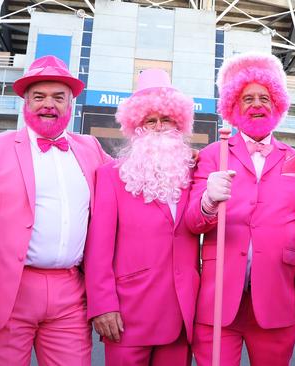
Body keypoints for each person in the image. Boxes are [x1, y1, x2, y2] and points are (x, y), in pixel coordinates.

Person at [0, 55, 110, 365]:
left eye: (57, 97)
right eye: (39, 96)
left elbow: (129, 180)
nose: (48, 104)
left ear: (70, 104)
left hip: (71, 292)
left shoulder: (91, 148)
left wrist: (187, 164)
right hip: (7, 291)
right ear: (25, 102)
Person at [185, 52, 295, 366]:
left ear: (276, 105)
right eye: (247, 98)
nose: (257, 104)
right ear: (233, 106)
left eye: (264, 97)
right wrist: (207, 201)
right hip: (217, 301)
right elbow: (192, 223)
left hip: (276, 300)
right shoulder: (212, 155)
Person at [83, 69, 199, 366]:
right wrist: (102, 305)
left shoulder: (194, 171)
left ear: (179, 123)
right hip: (128, 314)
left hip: (182, 312)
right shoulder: (110, 176)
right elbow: (99, 248)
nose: (159, 127)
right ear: (137, 126)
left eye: (167, 119)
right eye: (151, 121)